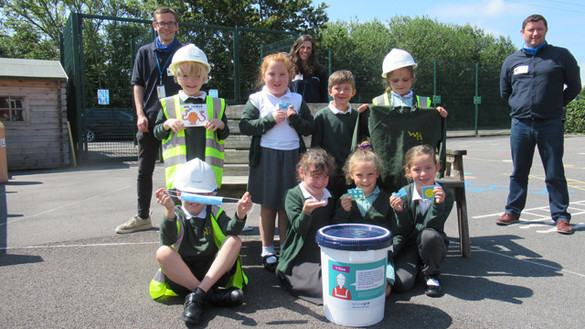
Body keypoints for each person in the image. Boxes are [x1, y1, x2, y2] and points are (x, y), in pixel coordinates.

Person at [497, 14, 581, 235]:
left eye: (539, 29)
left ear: (546, 31)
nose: (535, 33)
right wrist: (520, 106)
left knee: (554, 172)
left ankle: (561, 217)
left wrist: (556, 105)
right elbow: (505, 91)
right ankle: (513, 211)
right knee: (519, 172)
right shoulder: (511, 61)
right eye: (531, 29)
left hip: (550, 124)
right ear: (523, 32)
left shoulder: (561, 56)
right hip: (521, 124)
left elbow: (574, 86)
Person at [150, 158, 252, 326]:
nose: (194, 199)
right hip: (183, 276)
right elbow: (167, 240)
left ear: (211, 195)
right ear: (179, 193)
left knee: (234, 241)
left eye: (201, 194)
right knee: (163, 252)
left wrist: (240, 214)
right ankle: (209, 296)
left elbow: (231, 230)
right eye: (189, 193)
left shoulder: (214, 212)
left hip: (212, 273)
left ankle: (197, 296)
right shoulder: (176, 213)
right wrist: (168, 211)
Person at [239, 52, 314, 272]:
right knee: (269, 205)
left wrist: (295, 120)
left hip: (292, 158)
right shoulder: (257, 99)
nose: (277, 79)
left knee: (286, 206)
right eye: (272, 74)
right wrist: (269, 120)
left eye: (282, 74)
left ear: (290, 76)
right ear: (264, 75)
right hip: (266, 158)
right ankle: (267, 249)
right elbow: (245, 125)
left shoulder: (297, 99)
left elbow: (309, 127)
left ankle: (285, 248)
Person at [116, 7, 182, 234]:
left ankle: (184, 216)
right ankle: (143, 217)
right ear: (155, 26)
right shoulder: (145, 52)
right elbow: (138, 85)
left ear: (177, 26)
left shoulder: (184, 52)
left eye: (170, 23)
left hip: (177, 120)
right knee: (145, 170)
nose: (166, 27)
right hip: (150, 119)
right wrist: (140, 114)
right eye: (161, 23)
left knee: (180, 170)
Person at [354, 48, 448, 194]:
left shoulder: (425, 103)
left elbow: (439, 136)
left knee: (423, 207)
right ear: (387, 80)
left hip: (419, 175)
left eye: (405, 79)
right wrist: (364, 114)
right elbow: (362, 139)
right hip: (386, 175)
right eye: (395, 80)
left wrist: (439, 115)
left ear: (413, 77)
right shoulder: (378, 103)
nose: (400, 84)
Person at [153, 43, 228, 191]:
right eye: (185, 76)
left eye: (196, 76)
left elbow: (224, 134)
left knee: (206, 210)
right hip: (179, 175)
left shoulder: (216, 104)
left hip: (207, 173)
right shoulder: (169, 104)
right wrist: (167, 125)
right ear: (177, 77)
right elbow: (157, 132)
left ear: (205, 77)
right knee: (179, 210)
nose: (191, 81)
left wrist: (220, 125)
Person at [389, 145, 454, 297]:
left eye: (428, 168)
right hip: (410, 245)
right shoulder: (404, 194)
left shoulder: (446, 195)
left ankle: (432, 273)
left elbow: (433, 227)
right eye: (417, 169)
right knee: (401, 284)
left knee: (428, 235)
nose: (423, 174)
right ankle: (417, 267)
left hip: (432, 243)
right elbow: (402, 231)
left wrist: (438, 205)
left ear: (437, 167)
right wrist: (400, 211)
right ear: (408, 172)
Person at [276, 148, 335, 305]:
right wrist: (306, 212)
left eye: (325, 177)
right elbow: (298, 229)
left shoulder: (329, 194)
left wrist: (345, 208)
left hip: (323, 253)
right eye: (315, 177)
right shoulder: (294, 195)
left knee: (340, 283)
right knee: (328, 290)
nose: (321, 182)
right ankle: (288, 278)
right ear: (302, 173)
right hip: (300, 257)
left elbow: (335, 225)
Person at [334, 141, 394, 297]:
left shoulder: (386, 199)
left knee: (383, 286)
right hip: (351, 253)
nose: (365, 180)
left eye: (370, 175)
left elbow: (396, 231)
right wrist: (343, 211)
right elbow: (336, 228)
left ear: (378, 173)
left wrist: (388, 252)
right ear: (351, 174)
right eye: (359, 175)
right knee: (350, 284)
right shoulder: (345, 198)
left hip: (379, 253)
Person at [311, 70, 358, 200]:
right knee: (328, 207)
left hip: (351, 175)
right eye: (337, 88)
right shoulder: (322, 116)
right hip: (328, 175)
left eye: (346, 88)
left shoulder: (356, 117)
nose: (342, 92)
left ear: (353, 92)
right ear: (330, 91)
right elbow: (316, 147)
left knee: (349, 206)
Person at [289, 35, 329, 103]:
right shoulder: (289, 69)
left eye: (308, 48)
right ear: (297, 48)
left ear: (312, 50)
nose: (305, 51)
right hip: (294, 110)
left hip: (314, 111)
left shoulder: (320, 71)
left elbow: (324, 96)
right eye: (302, 47)